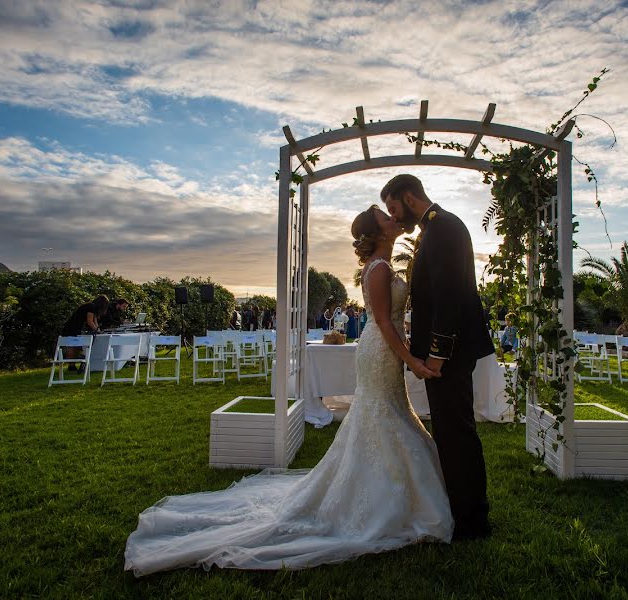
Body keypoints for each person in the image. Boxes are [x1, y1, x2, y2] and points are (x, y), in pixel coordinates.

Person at [124, 206, 445, 576]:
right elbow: (385, 323)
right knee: (381, 411)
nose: (393, 218)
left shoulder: (382, 265)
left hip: (383, 349)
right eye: (385, 217)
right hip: (381, 349)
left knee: (386, 411)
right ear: (378, 232)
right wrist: (411, 359)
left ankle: (391, 486)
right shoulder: (379, 268)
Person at [382, 173, 494, 541]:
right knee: (449, 433)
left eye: (394, 207)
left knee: (456, 434)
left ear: (409, 196)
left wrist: (437, 357)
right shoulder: (433, 229)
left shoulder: (443, 228)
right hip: (446, 355)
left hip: (450, 356)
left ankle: (472, 522)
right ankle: (462, 509)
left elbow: (448, 298)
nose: (395, 218)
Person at [61, 295, 109, 370]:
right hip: (72, 328)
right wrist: (97, 331)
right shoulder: (91, 307)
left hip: (75, 327)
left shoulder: (92, 308)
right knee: (73, 346)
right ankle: (71, 365)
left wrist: (98, 330)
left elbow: (95, 322)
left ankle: (72, 365)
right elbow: (90, 322)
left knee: (75, 346)